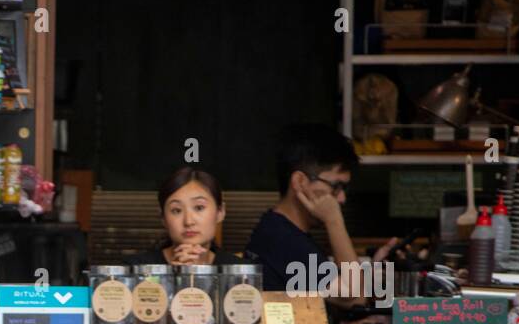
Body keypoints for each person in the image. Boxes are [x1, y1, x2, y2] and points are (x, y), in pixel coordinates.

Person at [245, 124, 398, 295]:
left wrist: (374, 268)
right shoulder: (284, 240)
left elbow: (342, 291)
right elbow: (354, 296)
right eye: (336, 186)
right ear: (300, 182)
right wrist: (334, 221)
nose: (342, 198)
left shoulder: (278, 229)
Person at [126, 167, 243, 267]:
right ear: (163, 218)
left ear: (220, 212)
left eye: (199, 208)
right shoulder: (135, 269)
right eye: (176, 210)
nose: (188, 221)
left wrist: (202, 274)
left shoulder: (241, 272)